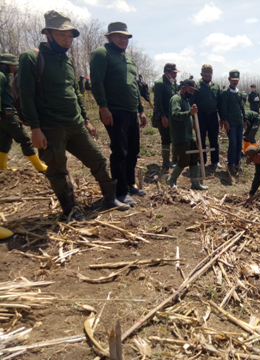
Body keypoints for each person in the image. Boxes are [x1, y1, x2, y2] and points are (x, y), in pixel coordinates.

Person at [18, 10, 130, 222]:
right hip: (50, 128)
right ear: (47, 33)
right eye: (62, 35)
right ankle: (70, 209)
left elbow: (75, 93)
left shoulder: (66, 60)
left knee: (97, 159)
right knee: (57, 168)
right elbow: (26, 95)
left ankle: (109, 198)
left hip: (76, 125)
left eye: (70, 36)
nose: (68, 40)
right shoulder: (31, 58)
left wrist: (86, 119)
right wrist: (35, 128)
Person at [90, 21, 148, 206]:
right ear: (109, 37)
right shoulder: (102, 53)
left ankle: (130, 185)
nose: (123, 40)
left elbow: (134, 86)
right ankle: (120, 192)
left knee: (133, 150)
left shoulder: (128, 59)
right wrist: (103, 107)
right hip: (114, 110)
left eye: (126, 37)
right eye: (119, 36)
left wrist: (141, 110)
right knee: (120, 151)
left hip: (131, 111)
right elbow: (97, 82)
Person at [0, 54, 47, 172]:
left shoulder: (4, 75)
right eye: (12, 65)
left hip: (5, 114)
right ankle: (39, 166)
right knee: (25, 139)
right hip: (6, 114)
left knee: (5, 139)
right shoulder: (1, 76)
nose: (15, 67)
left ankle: (2, 166)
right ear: (4, 65)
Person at [167, 79, 207, 191]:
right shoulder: (176, 99)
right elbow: (175, 114)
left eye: (193, 91)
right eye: (190, 90)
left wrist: (192, 118)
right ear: (184, 87)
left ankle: (195, 183)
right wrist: (190, 113)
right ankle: (172, 179)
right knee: (184, 160)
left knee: (195, 157)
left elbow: (189, 114)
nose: (192, 93)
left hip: (189, 136)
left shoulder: (185, 99)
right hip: (180, 137)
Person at [189, 64, 222, 169]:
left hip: (213, 115)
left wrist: (221, 118)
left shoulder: (216, 86)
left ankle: (215, 161)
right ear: (201, 74)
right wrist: (194, 119)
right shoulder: (197, 86)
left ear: (212, 75)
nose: (207, 77)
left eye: (209, 75)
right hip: (200, 116)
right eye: (205, 75)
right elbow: (192, 103)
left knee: (214, 139)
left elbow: (220, 104)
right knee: (200, 139)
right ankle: (202, 161)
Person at [153, 63, 180, 168]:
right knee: (166, 138)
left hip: (172, 115)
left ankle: (175, 158)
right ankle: (165, 161)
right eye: (173, 73)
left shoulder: (172, 83)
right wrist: (163, 117)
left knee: (174, 137)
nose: (175, 75)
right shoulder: (160, 84)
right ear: (167, 73)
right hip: (163, 115)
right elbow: (158, 102)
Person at [219, 69, 245, 175]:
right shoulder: (225, 93)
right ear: (229, 79)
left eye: (237, 80)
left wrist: (245, 120)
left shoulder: (239, 93)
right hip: (231, 123)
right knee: (233, 143)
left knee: (239, 143)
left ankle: (238, 163)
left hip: (239, 122)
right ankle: (230, 164)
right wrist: (225, 121)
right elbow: (222, 108)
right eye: (233, 80)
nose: (235, 82)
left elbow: (242, 107)